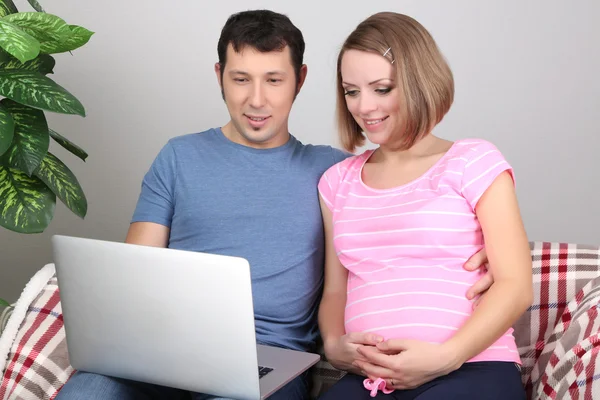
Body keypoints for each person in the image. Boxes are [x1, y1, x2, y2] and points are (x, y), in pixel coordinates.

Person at [56, 10, 494, 400]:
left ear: (300, 79)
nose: (257, 100)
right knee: (86, 392)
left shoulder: (334, 173)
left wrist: (479, 246)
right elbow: (133, 272)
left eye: (274, 80)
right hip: (161, 352)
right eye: (241, 78)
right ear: (219, 75)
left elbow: (410, 211)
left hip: (264, 364)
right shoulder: (178, 157)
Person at [317, 11, 533, 400]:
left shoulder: (473, 161)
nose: (364, 107)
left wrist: (445, 357)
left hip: (472, 366)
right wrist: (334, 345)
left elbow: (515, 285)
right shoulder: (337, 181)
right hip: (372, 380)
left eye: (381, 88)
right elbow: (336, 290)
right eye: (351, 91)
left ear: (418, 83)